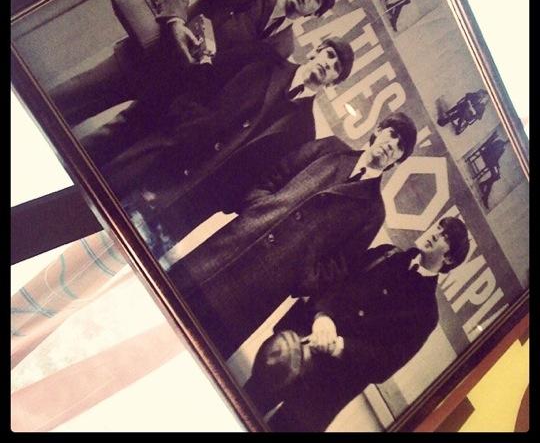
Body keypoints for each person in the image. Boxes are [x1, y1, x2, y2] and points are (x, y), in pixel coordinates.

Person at [166, 113, 417, 359]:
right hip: (238, 240)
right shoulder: (331, 149)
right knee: (173, 294)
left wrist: (303, 276)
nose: (391, 145)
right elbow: (278, 172)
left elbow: (340, 265)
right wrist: (257, 209)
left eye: (400, 147)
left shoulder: (373, 210)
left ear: (397, 161)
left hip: (270, 282)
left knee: (202, 345)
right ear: (378, 131)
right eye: (392, 134)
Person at [98, 38, 354, 253]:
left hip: (194, 203)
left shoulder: (305, 131)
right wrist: (182, 129)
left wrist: (226, 199)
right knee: (99, 203)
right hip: (165, 156)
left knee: (126, 252)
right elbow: (205, 81)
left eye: (336, 68)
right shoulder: (264, 61)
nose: (328, 64)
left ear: (332, 83)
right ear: (316, 50)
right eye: (329, 55)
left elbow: (266, 179)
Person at [50, 0, 337, 128]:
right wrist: (175, 21)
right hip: (149, 57)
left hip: (169, 101)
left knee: (96, 144)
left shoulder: (284, 48)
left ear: (315, 13)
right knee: (66, 99)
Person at [244, 217, 470, 432]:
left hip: (326, 389)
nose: (435, 234)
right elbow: (336, 281)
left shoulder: (426, 313)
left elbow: (386, 362)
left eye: (445, 237)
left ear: (449, 260)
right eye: (439, 227)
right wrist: (323, 316)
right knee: (247, 405)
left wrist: (339, 346)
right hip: (295, 350)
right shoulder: (387, 254)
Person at [477, 136, 508, 208]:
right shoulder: (499, 142)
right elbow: (490, 149)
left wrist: (498, 167)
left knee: (496, 176)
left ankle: (484, 188)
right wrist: (494, 164)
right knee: (494, 177)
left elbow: (497, 159)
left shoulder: (503, 149)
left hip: (491, 161)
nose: (507, 142)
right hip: (486, 156)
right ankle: (484, 193)